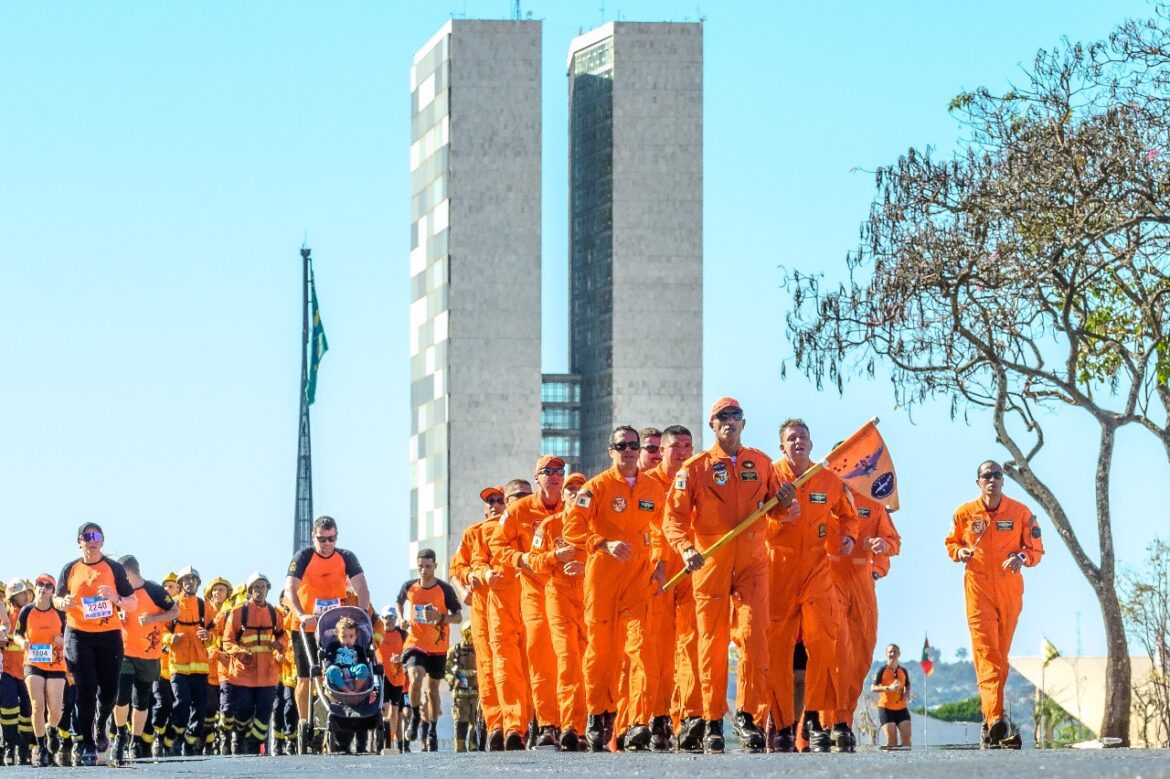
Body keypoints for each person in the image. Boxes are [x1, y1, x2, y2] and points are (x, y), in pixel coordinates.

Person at [662, 399, 793, 753]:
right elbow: (672, 519)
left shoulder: (761, 462)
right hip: (710, 560)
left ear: (744, 423)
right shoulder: (695, 468)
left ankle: (748, 716)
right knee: (711, 643)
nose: (729, 422)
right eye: (722, 417)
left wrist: (785, 501)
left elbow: (782, 513)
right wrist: (686, 549)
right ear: (712, 424)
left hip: (753, 562)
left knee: (754, 638)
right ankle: (711, 718)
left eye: (735, 417)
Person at [564, 425, 663, 752]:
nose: (630, 451)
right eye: (622, 446)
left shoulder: (653, 487)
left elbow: (664, 527)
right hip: (602, 579)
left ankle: (637, 722)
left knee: (642, 650)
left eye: (634, 445)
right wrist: (603, 543)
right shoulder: (596, 488)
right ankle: (598, 714)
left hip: (638, 581)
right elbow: (572, 528)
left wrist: (660, 561)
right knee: (601, 653)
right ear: (611, 451)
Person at [762, 419, 858, 753]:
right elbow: (754, 521)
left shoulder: (828, 480)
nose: (798, 442)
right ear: (782, 446)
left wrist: (847, 536)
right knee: (778, 650)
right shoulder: (770, 476)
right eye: (791, 438)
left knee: (822, 642)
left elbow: (849, 514)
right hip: (779, 567)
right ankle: (783, 724)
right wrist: (780, 513)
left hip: (817, 568)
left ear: (811, 444)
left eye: (803, 437)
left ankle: (816, 720)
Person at [946, 460, 1044, 748]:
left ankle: (990, 724)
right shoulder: (964, 513)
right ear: (978, 482)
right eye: (986, 475)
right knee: (987, 653)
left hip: (1009, 590)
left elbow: (1036, 550)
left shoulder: (1020, 513)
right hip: (977, 590)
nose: (992, 479)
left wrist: (1021, 558)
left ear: (1003, 481)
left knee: (999, 658)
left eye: (997, 475)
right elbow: (950, 543)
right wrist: (960, 551)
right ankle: (995, 716)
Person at [488, 455, 566, 749]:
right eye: (547, 472)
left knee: (569, 658)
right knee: (539, 657)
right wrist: (520, 559)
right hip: (532, 591)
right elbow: (497, 544)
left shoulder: (571, 509)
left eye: (559, 471)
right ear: (538, 478)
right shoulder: (520, 510)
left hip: (567, 591)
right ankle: (542, 723)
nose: (554, 476)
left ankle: (571, 724)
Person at [54, 522, 137, 767]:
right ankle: (88, 743)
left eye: (96, 535)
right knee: (85, 689)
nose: (92, 540)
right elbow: (57, 598)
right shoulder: (70, 569)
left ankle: (101, 726)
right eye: (86, 536)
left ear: (102, 541)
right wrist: (63, 603)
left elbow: (132, 603)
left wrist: (116, 598)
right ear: (79, 542)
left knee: (110, 691)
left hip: (109, 635)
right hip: (78, 634)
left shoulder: (113, 568)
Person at [284, 515, 369, 753]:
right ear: (314, 537)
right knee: (305, 677)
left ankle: (330, 721)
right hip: (306, 626)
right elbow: (290, 588)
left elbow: (361, 586)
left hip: (334, 627)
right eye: (322, 539)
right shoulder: (303, 557)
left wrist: (362, 614)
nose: (327, 544)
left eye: (331, 539)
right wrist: (301, 613)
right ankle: (304, 722)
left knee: (332, 673)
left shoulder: (346, 557)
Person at [641, 424, 702, 751]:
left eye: (687, 445)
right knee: (657, 648)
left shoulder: (697, 476)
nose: (681, 452)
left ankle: (690, 715)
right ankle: (659, 714)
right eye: (675, 446)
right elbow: (641, 529)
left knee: (691, 644)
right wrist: (656, 560)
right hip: (657, 571)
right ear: (661, 451)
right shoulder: (646, 484)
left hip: (691, 566)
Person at [526, 472, 589, 751]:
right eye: (570, 489)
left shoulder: (596, 523)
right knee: (566, 659)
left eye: (580, 488)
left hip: (590, 597)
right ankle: (568, 725)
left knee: (591, 662)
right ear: (562, 495)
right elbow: (534, 561)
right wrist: (556, 556)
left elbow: (610, 557)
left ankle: (584, 726)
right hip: (559, 597)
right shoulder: (550, 526)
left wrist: (585, 565)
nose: (575, 493)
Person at [472, 479, 533, 751]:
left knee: (534, 667)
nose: (496, 505)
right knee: (498, 668)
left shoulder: (543, 521)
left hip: (534, 602)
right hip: (495, 607)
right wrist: (480, 575)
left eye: (524, 495)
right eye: (493, 501)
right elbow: (469, 564)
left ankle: (536, 724)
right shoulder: (482, 532)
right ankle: (504, 725)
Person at [448, 486, 505, 749]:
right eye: (489, 501)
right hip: (483, 610)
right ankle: (492, 723)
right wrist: (463, 590)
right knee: (489, 667)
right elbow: (456, 569)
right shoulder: (473, 533)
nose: (494, 504)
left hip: (511, 608)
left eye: (499, 500)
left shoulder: (514, 529)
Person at [112, 556, 177, 763]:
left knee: (141, 701)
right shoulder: (120, 593)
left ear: (129, 572)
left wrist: (154, 619)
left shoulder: (155, 591)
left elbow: (175, 611)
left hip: (149, 654)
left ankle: (135, 740)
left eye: (120, 574)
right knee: (121, 697)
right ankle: (120, 735)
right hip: (124, 652)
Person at [397, 549, 462, 752]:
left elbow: (458, 616)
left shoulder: (445, 589)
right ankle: (415, 715)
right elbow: (399, 602)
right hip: (415, 643)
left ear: (435, 566)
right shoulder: (409, 587)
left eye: (427, 567)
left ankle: (432, 729)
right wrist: (401, 619)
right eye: (420, 567)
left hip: (438, 646)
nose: (423, 571)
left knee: (433, 689)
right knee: (415, 678)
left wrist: (440, 618)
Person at [221, 572, 287, 755]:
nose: (259, 591)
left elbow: (283, 634)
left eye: (263, 587)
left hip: (267, 675)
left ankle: (252, 744)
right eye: (256, 587)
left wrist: (280, 644)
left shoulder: (275, 613)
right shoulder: (237, 613)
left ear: (268, 589)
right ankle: (239, 734)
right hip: (243, 675)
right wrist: (240, 652)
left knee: (265, 712)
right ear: (250, 591)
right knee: (243, 710)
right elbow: (227, 641)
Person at [15, 575, 66, 767]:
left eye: (48, 585)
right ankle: (42, 746)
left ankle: (51, 728)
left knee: (55, 709)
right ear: (35, 588)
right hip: (33, 661)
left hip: (55, 662)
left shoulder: (59, 613)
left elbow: (70, 634)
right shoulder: (27, 611)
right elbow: (17, 634)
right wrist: (23, 642)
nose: (43, 588)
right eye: (39, 584)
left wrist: (62, 640)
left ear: (53, 591)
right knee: (37, 706)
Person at [166, 566, 215, 756]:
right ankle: (175, 738)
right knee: (182, 703)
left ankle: (190, 741)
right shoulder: (172, 605)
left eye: (193, 579)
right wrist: (170, 639)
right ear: (180, 584)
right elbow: (160, 629)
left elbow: (216, 632)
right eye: (186, 580)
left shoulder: (204, 606)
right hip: (178, 665)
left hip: (200, 667)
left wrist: (208, 636)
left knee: (201, 707)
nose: (190, 582)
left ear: (198, 583)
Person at [3, 578, 34, 766]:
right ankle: (9, 746)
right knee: (8, 706)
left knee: (28, 711)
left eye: (25, 593)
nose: (25, 596)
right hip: (7, 670)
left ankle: (24, 749)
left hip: (27, 669)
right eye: (21, 594)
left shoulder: (31, 613)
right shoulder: (5, 614)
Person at [376, 606, 408, 753]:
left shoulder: (402, 634)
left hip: (397, 676)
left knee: (395, 710)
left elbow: (410, 651)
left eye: (391, 618)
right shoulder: (377, 633)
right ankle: (382, 739)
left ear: (395, 619)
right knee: (385, 708)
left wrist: (401, 658)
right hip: (382, 676)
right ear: (382, 619)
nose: (388, 621)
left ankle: (391, 740)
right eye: (386, 617)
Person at [444, 622, 479, 752]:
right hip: (461, 695)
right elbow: (447, 670)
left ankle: (475, 748)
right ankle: (460, 749)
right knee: (461, 723)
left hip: (476, 694)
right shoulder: (455, 650)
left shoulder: (479, 649)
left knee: (476, 724)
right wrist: (453, 679)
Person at [871, 643, 911, 749]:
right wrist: (888, 688)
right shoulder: (882, 670)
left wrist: (907, 693)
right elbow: (873, 688)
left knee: (907, 739)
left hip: (901, 708)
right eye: (890, 652)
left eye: (895, 652)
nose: (892, 654)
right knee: (891, 740)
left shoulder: (903, 671)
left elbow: (908, 685)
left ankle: (907, 762)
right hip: (886, 708)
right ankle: (889, 763)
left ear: (899, 654)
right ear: (886, 654)